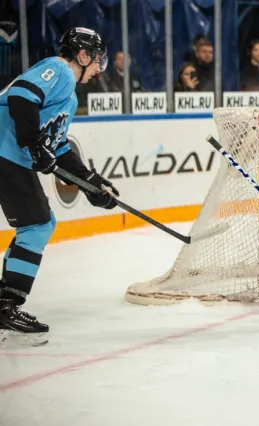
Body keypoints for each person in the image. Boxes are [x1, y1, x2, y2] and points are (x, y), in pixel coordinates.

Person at [0, 27, 119, 347]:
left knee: (37, 224)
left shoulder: (68, 94)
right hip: (5, 153)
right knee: (37, 224)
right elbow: (22, 95)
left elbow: (59, 147)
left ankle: (5, 301)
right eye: (97, 61)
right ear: (82, 56)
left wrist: (91, 184)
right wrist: (33, 145)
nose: (98, 69)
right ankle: (6, 306)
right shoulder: (61, 71)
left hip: (9, 157)